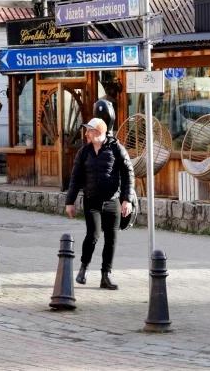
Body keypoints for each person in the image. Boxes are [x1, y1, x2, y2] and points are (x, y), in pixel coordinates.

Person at [64, 117, 135, 290]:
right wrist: (70, 202)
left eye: (89, 130)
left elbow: (128, 174)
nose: (86, 133)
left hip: (112, 202)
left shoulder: (116, 148)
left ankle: (106, 276)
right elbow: (75, 178)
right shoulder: (84, 152)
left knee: (111, 240)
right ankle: (84, 268)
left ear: (99, 132)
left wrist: (127, 200)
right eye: (87, 130)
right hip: (92, 201)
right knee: (93, 235)